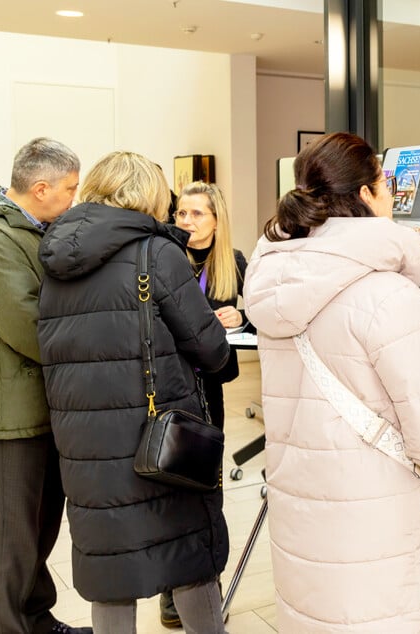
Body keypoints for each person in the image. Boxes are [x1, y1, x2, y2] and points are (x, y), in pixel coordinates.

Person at [244, 132, 420, 632]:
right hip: (375, 529)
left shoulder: (276, 286)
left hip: (300, 514)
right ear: (367, 195)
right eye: (385, 183)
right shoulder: (388, 295)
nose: (392, 195)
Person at [35, 151, 230, 633]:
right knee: (189, 558)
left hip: (84, 442)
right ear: (146, 195)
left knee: (111, 565)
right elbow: (208, 346)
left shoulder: (56, 257)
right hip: (155, 434)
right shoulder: (157, 252)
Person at [0, 137, 88, 634]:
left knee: (41, 524)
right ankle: (3, 627)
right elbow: (28, 324)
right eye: (70, 189)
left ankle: (34, 617)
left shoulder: (30, 230)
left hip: (38, 400)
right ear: (43, 187)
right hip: (10, 409)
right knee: (15, 533)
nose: (74, 198)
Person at [159, 180, 248, 628]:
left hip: (209, 389)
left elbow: (251, 316)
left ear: (217, 221)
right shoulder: (165, 255)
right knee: (170, 485)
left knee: (207, 487)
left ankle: (202, 586)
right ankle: (172, 594)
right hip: (170, 385)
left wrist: (239, 316)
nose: (187, 222)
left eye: (197, 214)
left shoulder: (231, 262)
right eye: (182, 214)